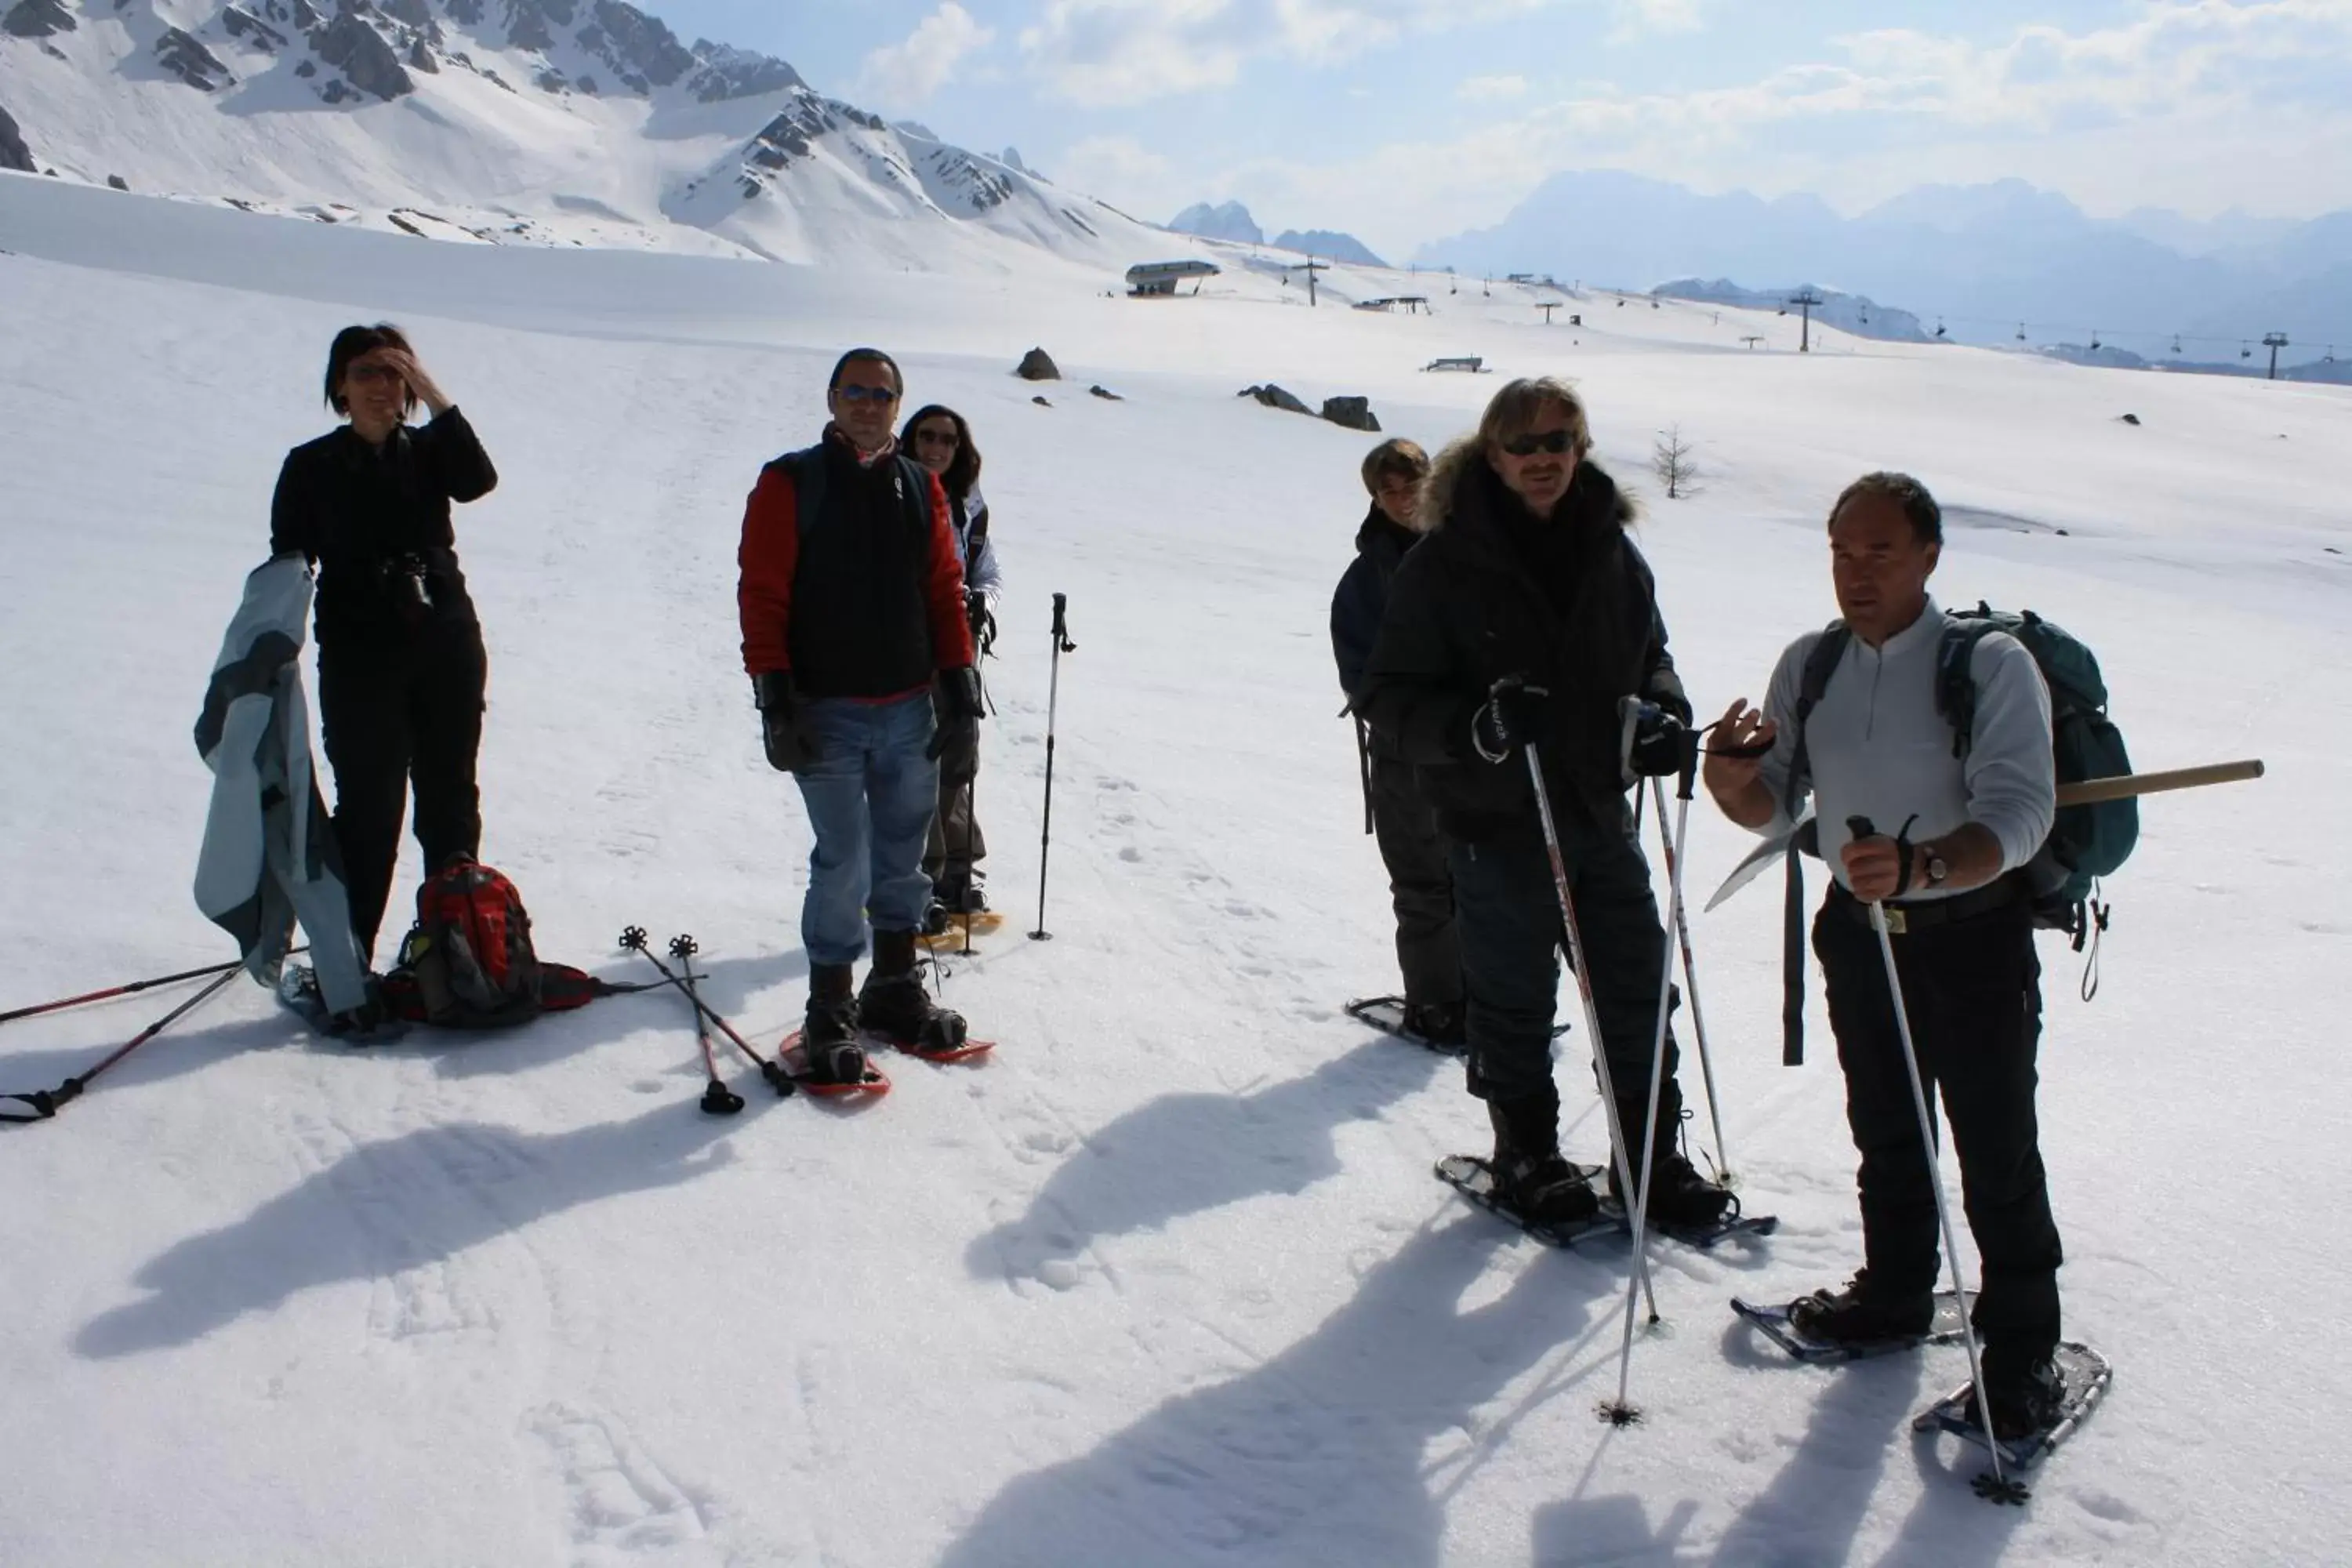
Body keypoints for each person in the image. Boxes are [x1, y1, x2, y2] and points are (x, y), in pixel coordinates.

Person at [1702, 471, 2066, 1438]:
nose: (1856, 574)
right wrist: (1729, 778)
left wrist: (1927, 863)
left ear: (1929, 557)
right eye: (1841, 552)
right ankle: (1897, 1291)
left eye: (1880, 553)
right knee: (1887, 1126)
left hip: (1972, 936)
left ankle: (2025, 1347)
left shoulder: (1987, 664)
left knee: (1996, 1143)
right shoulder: (1810, 663)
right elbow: (1775, 809)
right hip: (1860, 935)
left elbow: (2023, 811)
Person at [1358, 377, 1732, 1229]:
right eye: (1522, 444)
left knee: (1637, 983)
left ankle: (1651, 1156)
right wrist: (1479, 727)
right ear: (1491, 453)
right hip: (1497, 821)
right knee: (1514, 994)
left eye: (1558, 441)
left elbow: (1651, 656)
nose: (1541, 458)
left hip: (1597, 810)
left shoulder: (1613, 551)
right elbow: (1388, 695)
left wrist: (1665, 714)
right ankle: (1526, 1149)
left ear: (1582, 448)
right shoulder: (1444, 560)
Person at [737, 348, 983, 1082]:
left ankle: (893, 986)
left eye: (882, 394)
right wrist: (776, 698)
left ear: (897, 406)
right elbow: (763, 594)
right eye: (855, 392)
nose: (868, 405)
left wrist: (960, 689)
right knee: (842, 860)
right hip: (828, 709)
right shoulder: (791, 483)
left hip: (910, 706)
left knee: (904, 855)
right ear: (833, 398)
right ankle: (828, 1006)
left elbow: (944, 589)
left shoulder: (920, 487)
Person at [269, 324, 495, 969]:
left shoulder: (428, 453)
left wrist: (432, 388)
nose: (382, 386)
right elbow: (287, 563)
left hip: (446, 645)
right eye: (366, 372)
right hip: (360, 657)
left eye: (394, 373)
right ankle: (346, 966)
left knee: (451, 799)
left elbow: (478, 480)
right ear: (339, 386)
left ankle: (457, 952)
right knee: (368, 810)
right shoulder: (310, 466)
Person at [1330, 437, 1463, 1045]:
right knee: (1423, 883)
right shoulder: (1364, 581)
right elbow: (1361, 679)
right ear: (1375, 499)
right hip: (1404, 755)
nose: (1404, 499)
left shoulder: (1475, 550)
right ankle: (1438, 1006)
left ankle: (1497, 1001)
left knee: (1487, 880)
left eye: (1412, 485)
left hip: (1485, 751)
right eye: (1390, 490)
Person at [900, 403, 1002, 929]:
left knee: (959, 755)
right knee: (921, 757)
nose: (936, 447)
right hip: (906, 647)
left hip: (959, 644)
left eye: (947, 439)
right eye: (927, 437)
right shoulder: (893, 493)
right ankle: (923, 872)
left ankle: (958, 869)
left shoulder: (969, 505)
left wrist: (981, 602)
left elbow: (986, 569)